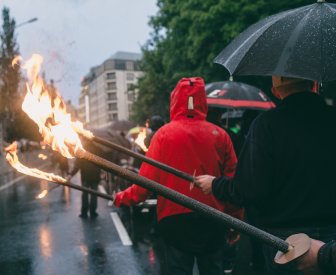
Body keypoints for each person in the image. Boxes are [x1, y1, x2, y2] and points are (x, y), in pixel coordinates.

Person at [195, 76, 336, 275]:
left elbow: (249, 189)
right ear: (314, 85)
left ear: (276, 91)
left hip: (285, 240)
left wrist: (215, 184)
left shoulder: (266, 125)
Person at [113, 77, 243, 275]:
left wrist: (122, 198)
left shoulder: (163, 135)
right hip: (212, 218)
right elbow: (233, 183)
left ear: (175, 101)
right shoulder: (220, 135)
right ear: (202, 101)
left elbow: (144, 183)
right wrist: (235, 221)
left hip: (174, 221)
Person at [68, 140, 102, 219]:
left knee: (85, 195)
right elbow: (102, 163)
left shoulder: (81, 150)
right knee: (94, 194)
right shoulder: (98, 149)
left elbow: (77, 165)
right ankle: (93, 212)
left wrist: (70, 174)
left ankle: (84, 213)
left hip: (85, 176)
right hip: (95, 176)